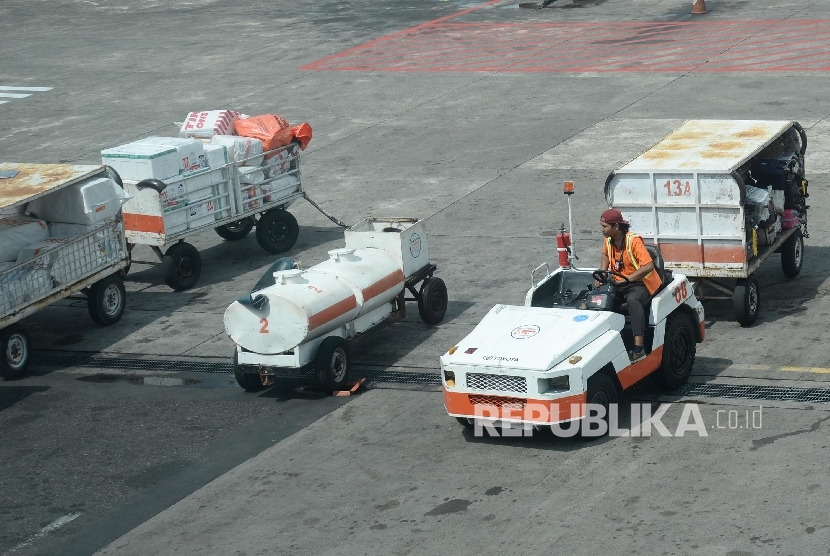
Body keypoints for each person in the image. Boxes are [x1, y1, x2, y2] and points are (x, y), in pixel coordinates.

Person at [595, 209, 662, 362]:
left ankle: (639, 348)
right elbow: (605, 255)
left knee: (633, 300)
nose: (602, 229)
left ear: (616, 226)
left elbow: (648, 267)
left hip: (639, 282)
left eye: (604, 226)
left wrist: (627, 279)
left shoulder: (634, 241)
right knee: (599, 298)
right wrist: (602, 275)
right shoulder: (609, 239)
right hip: (619, 281)